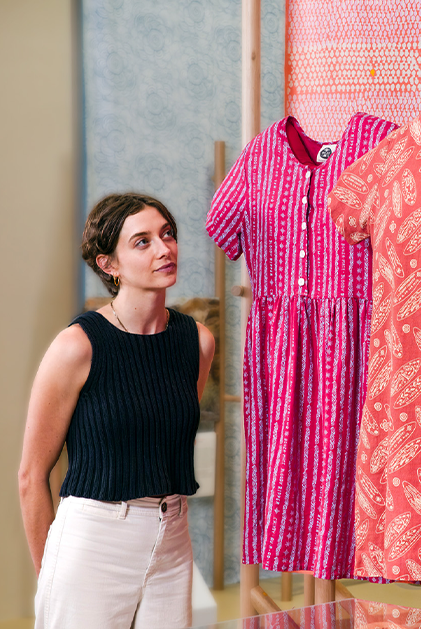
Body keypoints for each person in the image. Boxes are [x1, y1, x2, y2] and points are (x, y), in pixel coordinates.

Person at [18, 193, 215, 628]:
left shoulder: (197, 341)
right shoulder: (77, 346)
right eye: (142, 242)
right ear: (110, 265)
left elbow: (164, 437)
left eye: (168, 234)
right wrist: (50, 574)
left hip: (172, 539)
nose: (165, 249)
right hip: (94, 542)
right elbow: (32, 476)